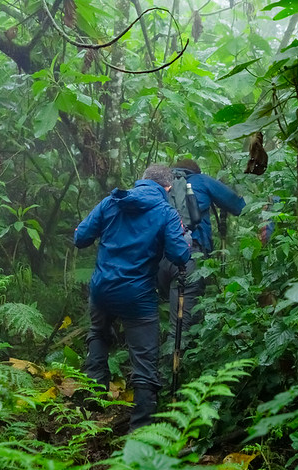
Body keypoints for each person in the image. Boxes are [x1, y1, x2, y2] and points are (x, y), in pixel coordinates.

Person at [74, 165, 190, 431]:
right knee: (144, 360)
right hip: (137, 295)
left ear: (142, 180)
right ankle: (140, 429)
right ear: (168, 188)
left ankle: (93, 398)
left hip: (102, 288)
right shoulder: (165, 212)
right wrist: (185, 239)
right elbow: (179, 256)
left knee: (98, 333)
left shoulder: (111, 201)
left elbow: (80, 238)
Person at [158, 159, 246, 370]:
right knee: (183, 325)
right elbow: (238, 206)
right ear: (195, 171)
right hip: (189, 257)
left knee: (175, 318)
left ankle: (167, 374)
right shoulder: (201, 181)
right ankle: (173, 382)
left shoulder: (161, 186)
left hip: (159, 261)